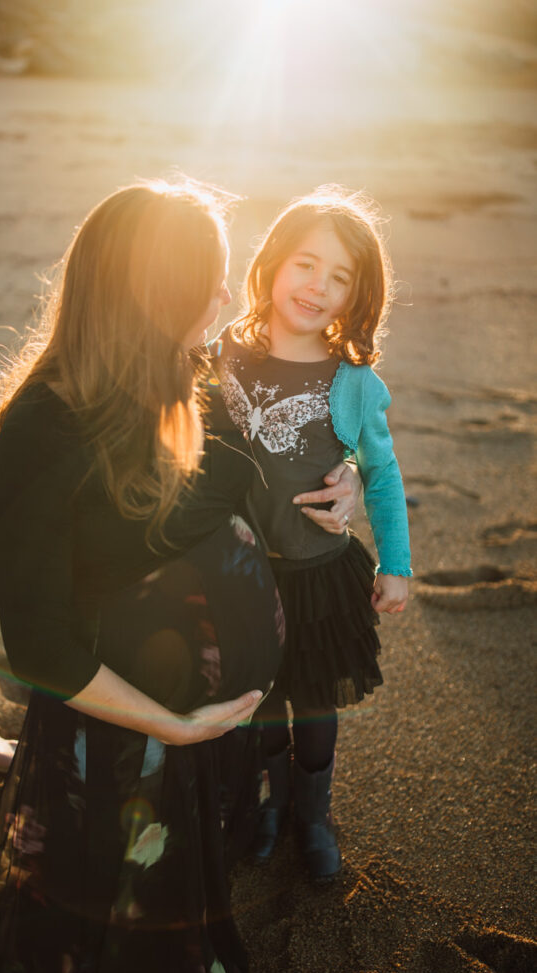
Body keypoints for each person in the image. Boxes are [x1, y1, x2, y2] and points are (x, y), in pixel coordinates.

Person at [0, 179, 358, 973]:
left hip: (192, 734)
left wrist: (345, 480)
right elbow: (43, 643)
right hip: (121, 724)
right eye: (208, 278)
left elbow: (277, 463)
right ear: (148, 289)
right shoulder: (44, 425)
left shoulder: (184, 378)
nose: (224, 298)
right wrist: (172, 723)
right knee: (67, 953)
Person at [209, 184, 412, 880]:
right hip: (239, 573)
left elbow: (380, 474)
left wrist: (396, 565)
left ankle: (311, 814)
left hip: (319, 570)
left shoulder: (351, 380)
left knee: (314, 699)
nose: (317, 286)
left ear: (356, 297)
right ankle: (265, 805)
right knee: (256, 698)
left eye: (339, 277)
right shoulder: (217, 358)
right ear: (269, 265)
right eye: (305, 264)